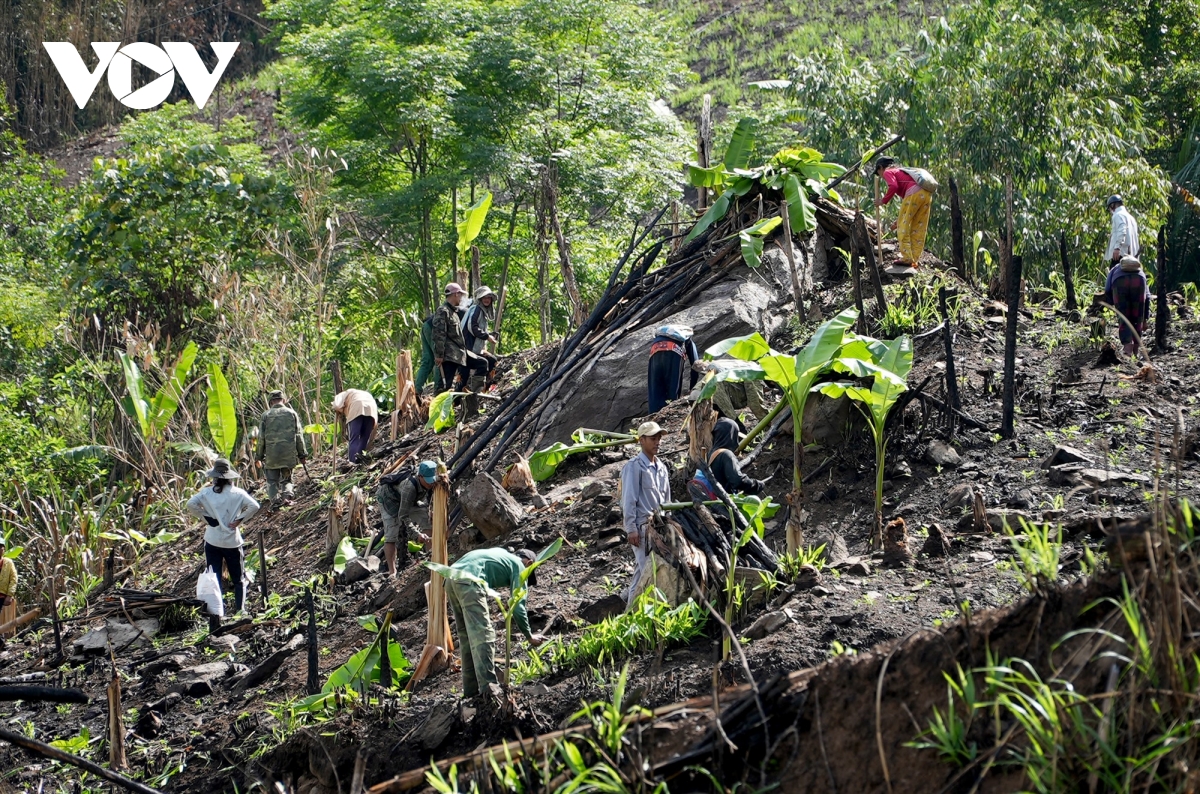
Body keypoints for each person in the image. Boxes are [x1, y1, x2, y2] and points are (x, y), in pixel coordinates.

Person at [446, 547, 546, 698]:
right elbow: (518, 607)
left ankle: (470, 692)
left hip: (450, 577)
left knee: (466, 637)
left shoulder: (502, 555)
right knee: (483, 634)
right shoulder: (519, 565)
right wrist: (529, 635)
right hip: (469, 580)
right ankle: (489, 689)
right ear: (529, 563)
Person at [186, 459, 261, 615]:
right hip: (232, 541)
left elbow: (190, 504)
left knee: (215, 577)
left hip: (212, 540)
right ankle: (240, 610)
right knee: (238, 579)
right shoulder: (238, 493)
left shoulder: (206, 493)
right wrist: (240, 519)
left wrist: (206, 518)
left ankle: (218, 611)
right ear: (229, 478)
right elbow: (255, 506)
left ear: (214, 478)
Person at [619, 421, 671, 604]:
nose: (657, 442)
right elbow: (629, 499)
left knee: (643, 571)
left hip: (658, 528)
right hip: (641, 528)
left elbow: (667, 502)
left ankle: (630, 611)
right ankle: (638, 611)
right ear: (641, 440)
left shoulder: (662, 468)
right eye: (652, 439)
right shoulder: (634, 467)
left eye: (658, 438)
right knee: (648, 572)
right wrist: (631, 528)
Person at [376, 460, 435, 576]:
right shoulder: (409, 487)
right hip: (389, 500)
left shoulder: (434, 481)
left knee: (427, 521)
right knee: (391, 535)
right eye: (428, 481)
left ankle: (432, 557)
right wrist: (416, 534)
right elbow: (403, 516)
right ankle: (392, 572)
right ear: (420, 477)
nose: (431, 483)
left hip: (409, 500)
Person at [875, 157, 935, 266]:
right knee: (919, 226)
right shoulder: (901, 172)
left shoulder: (888, 172)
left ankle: (907, 258)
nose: (882, 177)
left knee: (903, 228)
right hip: (926, 195)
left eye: (879, 173)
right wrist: (898, 221)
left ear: (880, 168)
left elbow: (893, 186)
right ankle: (914, 258)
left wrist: (883, 201)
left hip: (913, 194)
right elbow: (908, 212)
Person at [255, 390, 309, 505]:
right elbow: (299, 436)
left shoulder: (266, 415)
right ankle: (287, 498)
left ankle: (275, 502)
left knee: (272, 481)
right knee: (287, 479)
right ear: (283, 400)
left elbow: (261, 439)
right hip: (288, 455)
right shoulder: (291, 413)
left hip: (271, 456)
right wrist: (302, 454)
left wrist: (258, 456)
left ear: (271, 402)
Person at [702, 417, 766, 496]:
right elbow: (737, 481)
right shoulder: (727, 455)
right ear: (732, 436)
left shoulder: (710, 453)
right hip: (722, 501)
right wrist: (756, 485)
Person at [1103, 255, 1152, 357]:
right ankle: (1135, 350)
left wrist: (1112, 302)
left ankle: (1127, 349)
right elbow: (1147, 296)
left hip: (1119, 282)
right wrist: (1145, 318)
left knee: (1123, 316)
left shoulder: (1115, 269)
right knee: (1138, 316)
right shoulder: (1141, 272)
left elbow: (1107, 289)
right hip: (1139, 282)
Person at [647, 325, 700, 413]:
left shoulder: (661, 334)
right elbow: (695, 364)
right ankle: (671, 412)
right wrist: (692, 387)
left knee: (654, 389)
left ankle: (653, 416)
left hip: (655, 349)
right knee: (672, 389)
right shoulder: (688, 339)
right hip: (673, 350)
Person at [433, 282, 470, 394]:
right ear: (455, 294)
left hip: (455, 356)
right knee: (443, 386)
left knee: (449, 385)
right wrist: (439, 355)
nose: (461, 298)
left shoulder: (453, 312)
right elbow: (439, 334)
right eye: (460, 295)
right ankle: (437, 409)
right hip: (447, 356)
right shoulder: (443, 311)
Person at [463, 286, 499, 390]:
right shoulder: (476, 309)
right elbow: (472, 327)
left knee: (492, 360)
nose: (487, 300)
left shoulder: (482, 312)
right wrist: (487, 336)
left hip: (475, 349)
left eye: (489, 297)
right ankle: (474, 390)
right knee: (483, 364)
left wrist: (489, 335)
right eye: (484, 297)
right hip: (468, 349)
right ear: (480, 299)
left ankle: (484, 388)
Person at [332, 388, 378, 465]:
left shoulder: (342, 395)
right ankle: (359, 460)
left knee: (354, 437)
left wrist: (337, 410)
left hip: (357, 406)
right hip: (371, 408)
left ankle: (352, 462)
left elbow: (336, 405)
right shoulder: (360, 393)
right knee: (364, 437)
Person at [414, 313, 445, 394]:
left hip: (427, 325)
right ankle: (438, 391)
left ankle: (417, 390)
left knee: (428, 360)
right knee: (440, 360)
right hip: (435, 328)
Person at [1106, 195, 1141, 264]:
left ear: (1112, 205)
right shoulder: (1131, 218)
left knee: (1114, 274)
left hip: (1121, 255)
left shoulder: (1117, 215)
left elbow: (1122, 230)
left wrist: (1117, 248)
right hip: (1133, 257)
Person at [0, 539, 17, 635]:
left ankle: (1, 643)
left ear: (4, 549)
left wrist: (9, 595)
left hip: (2, 595)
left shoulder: (8, 563)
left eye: (0, 547)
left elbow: (13, 579)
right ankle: (1, 643)